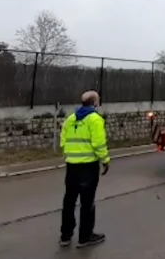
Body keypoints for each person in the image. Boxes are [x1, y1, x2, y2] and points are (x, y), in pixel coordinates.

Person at [59, 90, 110, 248]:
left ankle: (65, 236)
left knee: (69, 201)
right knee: (87, 203)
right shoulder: (95, 119)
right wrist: (105, 160)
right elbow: (98, 143)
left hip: (71, 166)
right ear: (94, 103)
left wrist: (72, 155)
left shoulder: (70, 119)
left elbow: (63, 143)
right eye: (98, 101)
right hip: (88, 167)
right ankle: (85, 237)